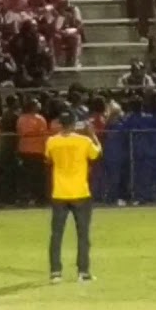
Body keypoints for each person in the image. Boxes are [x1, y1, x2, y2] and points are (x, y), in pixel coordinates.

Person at [45, 106, 102, 283]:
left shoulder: (51, 141)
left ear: (60, 123)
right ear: (74, 123)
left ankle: (55, 272)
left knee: (56, 234)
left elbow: (48, 159)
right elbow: (97, 154)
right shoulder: (84, 141)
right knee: (83, 234)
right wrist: (93, 134)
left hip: (60, 192)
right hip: (80, 192)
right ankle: (83, 272)